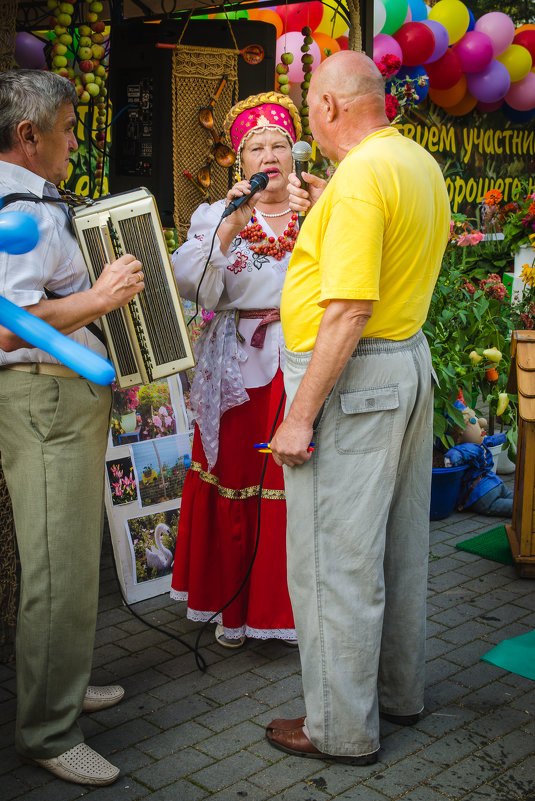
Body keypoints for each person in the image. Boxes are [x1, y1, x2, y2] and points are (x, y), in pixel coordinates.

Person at [265, 51, 451, 764]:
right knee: (398, 550)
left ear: (330, 107)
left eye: (309, 101)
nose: (307, 114)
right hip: (403, 361)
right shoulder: (409, 159)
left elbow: (345, 308)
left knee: (334, 561)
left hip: (351, 375)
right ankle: (396, 696)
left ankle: (339, 728)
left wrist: (299, 415)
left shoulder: (360, 179)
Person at [0, 69, 145, 786]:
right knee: (57, 570)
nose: (74, 140)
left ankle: (64, 680)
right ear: (29, 136)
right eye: (67, 127)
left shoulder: (29, 196)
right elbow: (6, 325)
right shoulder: (10, 202)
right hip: (43, 399)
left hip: (61, 399)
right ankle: (50, 730)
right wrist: (100, 295)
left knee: (69, 558)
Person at [169, 92, 300, 648]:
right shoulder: (216, 214)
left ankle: (288, 612)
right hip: (238, 363)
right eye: (256, 148)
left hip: (299, 362)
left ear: (296, 155)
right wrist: (226, 228)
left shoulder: (317, 207)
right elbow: (187, 282)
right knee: (238, 482)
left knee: (293, 486)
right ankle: (233, 609)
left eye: (279, 146)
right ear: (240, 162)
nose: (268, 156)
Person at [444, 403, 513, 516]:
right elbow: (460, 452)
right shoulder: (472, 447)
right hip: (488, 488)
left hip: (486, 490)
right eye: (473, 421)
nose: (481, 423)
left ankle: (527, 508)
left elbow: (490, 440)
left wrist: (502, 437)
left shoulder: (477, 445)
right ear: (460, 433)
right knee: (516, 504)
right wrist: (451, 459)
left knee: (513, 504)